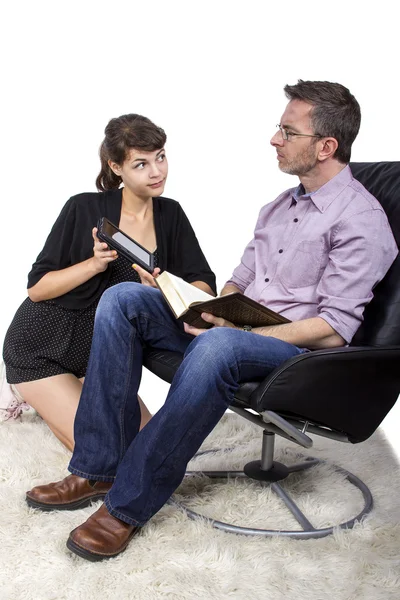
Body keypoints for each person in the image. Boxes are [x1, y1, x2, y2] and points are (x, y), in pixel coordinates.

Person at [26, 80, 398, 561]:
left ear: (326, 146)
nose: (274, 139)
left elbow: (333, 328)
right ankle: (99, 466)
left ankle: (127, 505)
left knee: (217, 347)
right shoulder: (279, 208)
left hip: (300, 357)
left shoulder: (361, 220)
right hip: (238, 332)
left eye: (288, 131)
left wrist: (241, 332)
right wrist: (214, 309)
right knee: (123, 298)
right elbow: (238, 281)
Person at [2, 114, 216, 450]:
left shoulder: (170, 214)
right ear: (115, 167)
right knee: (104, 454)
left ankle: (58, 401)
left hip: (102, 359)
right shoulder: (82, 207)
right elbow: (37, 288)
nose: (156, 171)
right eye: (140, 164)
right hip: (41, 346)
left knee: (149, 450)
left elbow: (202, 283)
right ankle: (25, 389)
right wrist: (93, 264)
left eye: (160, 157)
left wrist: (164, 292)